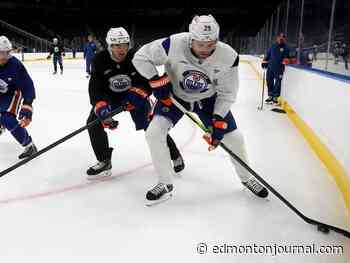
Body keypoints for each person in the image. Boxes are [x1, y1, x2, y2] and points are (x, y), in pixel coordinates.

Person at [133, 15, 268, 205]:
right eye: (200, 44)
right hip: (174, 98)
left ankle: (247, 178)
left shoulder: (228, 56)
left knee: (235, 138)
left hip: (208, 100)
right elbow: (141, 57)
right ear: (191, 38)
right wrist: (155, 79)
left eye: (211, 44)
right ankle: (165, 183)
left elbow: (227, 92)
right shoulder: (172, 44)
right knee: (154, 133)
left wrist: (219, 118)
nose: (206, 50)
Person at [86, 27, 184, 180]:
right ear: (109, 46)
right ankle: (104, 160)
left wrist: (138, 95)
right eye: (117, 45)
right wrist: (101, 107)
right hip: (111, 97)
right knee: (93, 123)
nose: (122, 49)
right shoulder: (99, 60)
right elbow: (95, 87)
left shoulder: (136, 57)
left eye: (125, 44)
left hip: (134, 96)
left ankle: (175, 155)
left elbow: (148, 81)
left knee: (153, 127)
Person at [0, 36, 37, 159]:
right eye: (2, 53)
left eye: (8, 53)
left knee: (7, 118)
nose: (5, 57)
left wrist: (27, 104)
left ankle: (29, 145)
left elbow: (27, 85)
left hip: (13, 92)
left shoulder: (15, 65)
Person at [261, 33, 290, 105]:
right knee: (269, 80)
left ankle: (275, 97)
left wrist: (286, 60)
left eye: (283, 37)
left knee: (278, 82)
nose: (281, 38)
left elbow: (287, 57)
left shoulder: (286, 47)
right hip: (270, 67)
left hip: (279, 68)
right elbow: (267, 55)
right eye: (280, 37)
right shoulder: (272, 46)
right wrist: (264, 61)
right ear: (277, 38)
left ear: (284, 39)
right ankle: (270, 96)